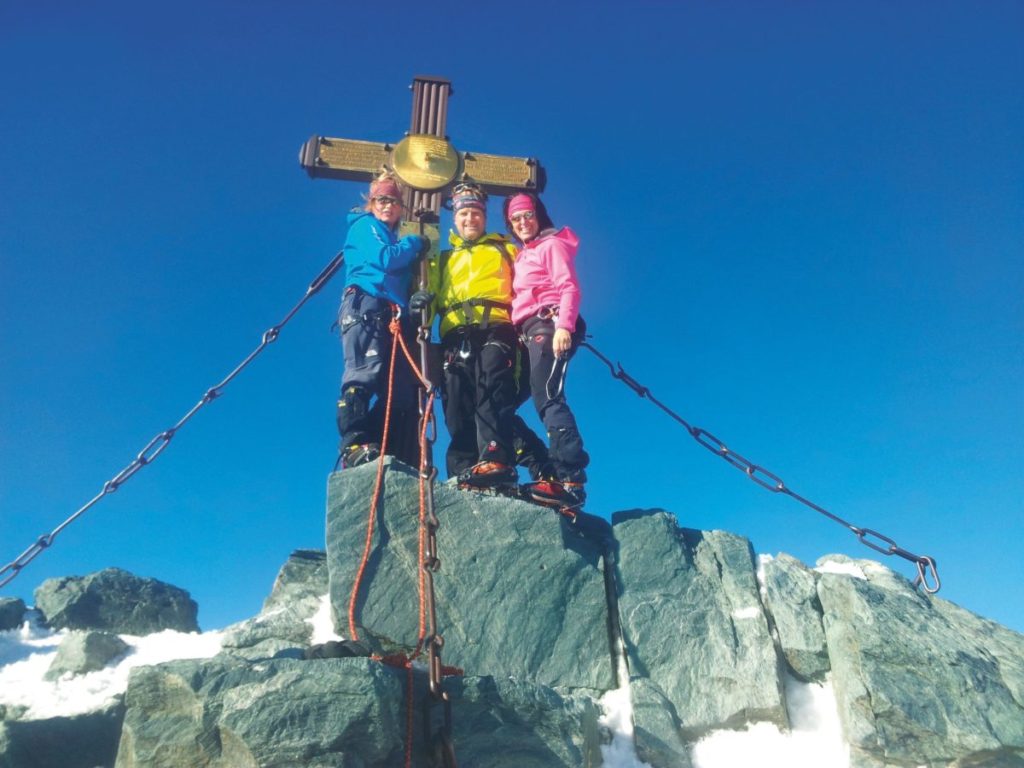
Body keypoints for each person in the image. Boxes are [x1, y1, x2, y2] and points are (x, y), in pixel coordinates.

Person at [411, 184, 550, 488]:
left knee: (492, 390)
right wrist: (421, 306)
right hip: (455, 332)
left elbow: (530, 282)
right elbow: (432, 292)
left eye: (475, 212)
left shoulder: (505, 249)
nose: (469, 218)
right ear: (455, 219)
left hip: (497, 325)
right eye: (463, 213)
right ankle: (463, 469)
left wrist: (546, 313)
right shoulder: (444, 258)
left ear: (484, 217)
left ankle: (495, 458)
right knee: (456, 402)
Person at [336, 173, 428, 468]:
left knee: (398, 389)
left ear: (401, 207)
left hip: (390, 312)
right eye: (381, 200)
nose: (387, 205)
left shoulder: (388, 234)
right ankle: (355, 443)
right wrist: (414, 243)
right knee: (363, 373)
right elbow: (385, 259)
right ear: (371, 203)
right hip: (366, 303)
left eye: (393, 201)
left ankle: (378, 443)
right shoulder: (366, 226)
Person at [504, 192, 589, 507]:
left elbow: (568, 286)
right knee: (502, 406)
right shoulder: (523, 253)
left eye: (528, 215)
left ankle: (570, 479)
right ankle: (545, 469)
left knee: (548, 396)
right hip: (528, 332)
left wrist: (564, 326)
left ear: (538, 216)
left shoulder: (550, 245)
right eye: (516, 218)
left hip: (549, 324)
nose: (523, 222)